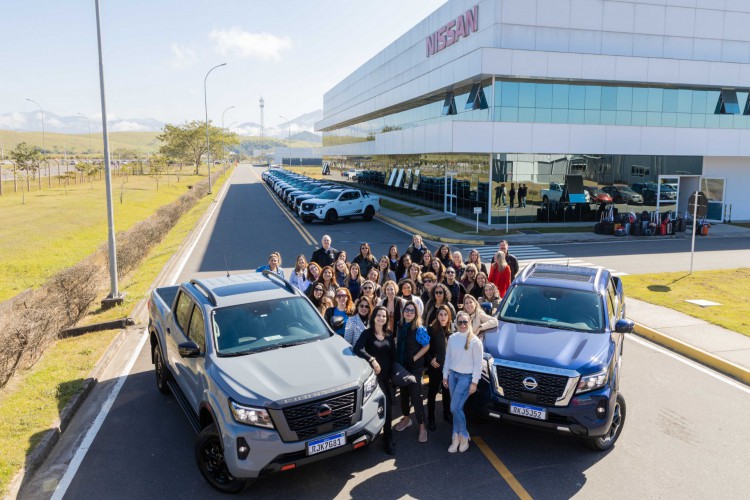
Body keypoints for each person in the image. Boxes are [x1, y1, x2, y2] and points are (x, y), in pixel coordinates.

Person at [353, 305, 397, 455]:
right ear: (374, 317)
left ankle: (388, 435)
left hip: (387, 377)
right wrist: (372, 359)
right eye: (378, 315)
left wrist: (394, 376)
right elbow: (357, 348)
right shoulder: (367, 334)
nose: (381, 318)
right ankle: (385, 436)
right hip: (373, 377)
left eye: (384, 316)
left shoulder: (389, 334)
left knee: (389, 406)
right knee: (383, 405)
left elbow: (393, 356)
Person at [443, 311, 483, 453]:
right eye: (460, 322)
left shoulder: (475, 341)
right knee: (457, 408)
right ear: (456, 324)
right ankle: (456, 436)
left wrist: (474, 383)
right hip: (453, 375)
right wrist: (445, 375)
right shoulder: (452, 338)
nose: (463, 325)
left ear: (470, 323)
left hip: (466, 378)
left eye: (465, 322)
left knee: (454, 408)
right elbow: (448, 358)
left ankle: (464, 435)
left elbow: (479, 364)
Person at [393, 300, 430, 444]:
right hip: (402, 366)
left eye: (412, 311)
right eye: (407, 310)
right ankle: (406, 419)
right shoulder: (400, 325)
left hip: (415, 367)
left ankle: (422, 427)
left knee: (416, 396)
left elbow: (426, 346)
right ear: (403, 312)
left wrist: (415, 357)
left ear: (416, 313)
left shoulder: (419, 328)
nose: (409, 312)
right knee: (403, 394)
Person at [426, 305, 453, 431]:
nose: (443, 317)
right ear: (437, 315)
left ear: (449, 316)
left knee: (446, 391)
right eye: (441, 314)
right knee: (432, 392)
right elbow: (425, 348)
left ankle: (446, 413)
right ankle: (431, 417)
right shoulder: (431, 329)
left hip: (448, 367)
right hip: (435, 366)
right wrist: (430, 359)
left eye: (445, 315)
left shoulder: (453, 329)